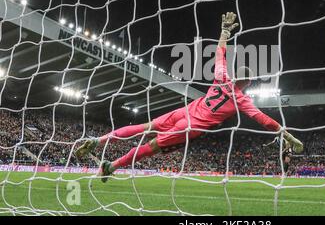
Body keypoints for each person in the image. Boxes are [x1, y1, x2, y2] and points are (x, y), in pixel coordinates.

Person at [75, 12, 303, 182]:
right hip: (190, 126)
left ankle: (100, 140)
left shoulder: (222, 77)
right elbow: (263, 119)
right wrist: (289, 137)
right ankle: (111, 166)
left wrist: (224, 31)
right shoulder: (241, 100)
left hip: (183, 112)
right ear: (248, 85)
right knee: (151, 146)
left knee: (143, 127)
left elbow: (219, 53)